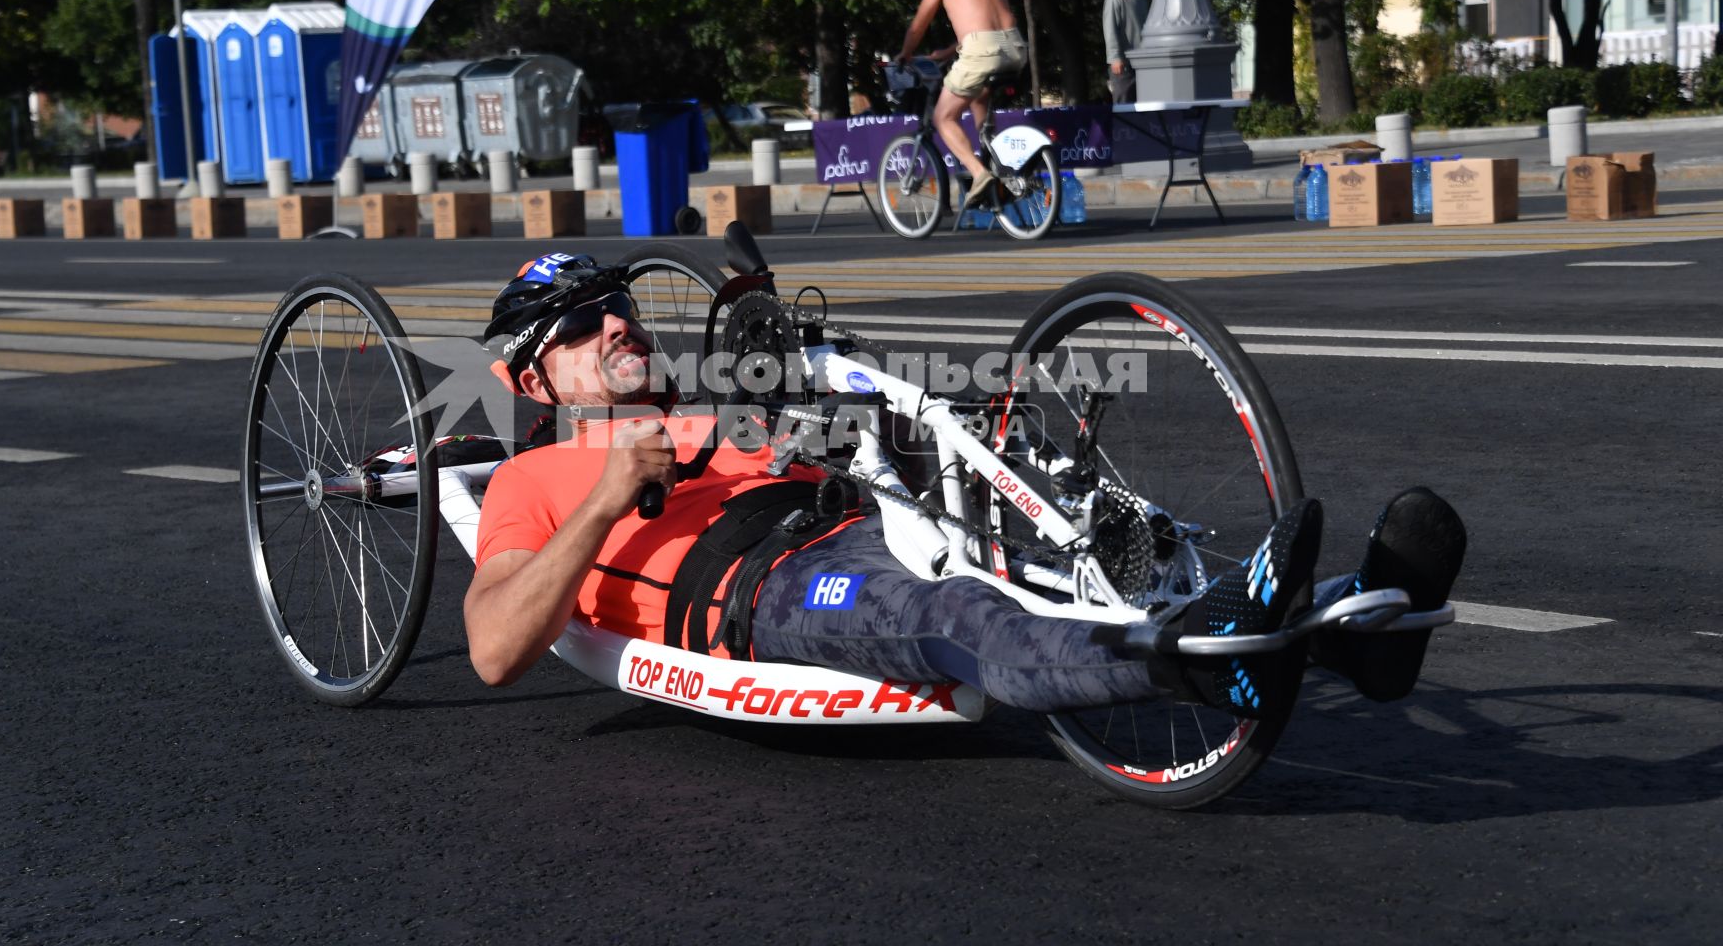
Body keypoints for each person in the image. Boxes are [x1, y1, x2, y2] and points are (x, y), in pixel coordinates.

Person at [463, 253, 1467, 714]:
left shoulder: (716, 410)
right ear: (530, 377)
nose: (617, 325)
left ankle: (1357, 620)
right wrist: (601, 498)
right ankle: (1192, 663)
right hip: (764, 586)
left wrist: (860, 405)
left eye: (619, 305)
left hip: (867, 512)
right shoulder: (533, 475)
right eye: (584, 326)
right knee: (956, 612)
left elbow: (876, 446)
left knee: (1058, 521)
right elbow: (496, 647)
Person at [895, 0, 1026, 208]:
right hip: (1014, 47)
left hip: (981, 52)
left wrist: (905, 54)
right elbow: (989, 28)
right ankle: (994, 160)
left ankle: (980, 174)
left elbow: (919, 25)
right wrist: (947, 52)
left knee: (944, 117)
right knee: (978, 95)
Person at [1103, 0, 1150, 105]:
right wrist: (1115, 57)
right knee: (1124, 105)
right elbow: (1110, 27)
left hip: (1142, 63)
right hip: (1124, 65)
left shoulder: (1143, 0)